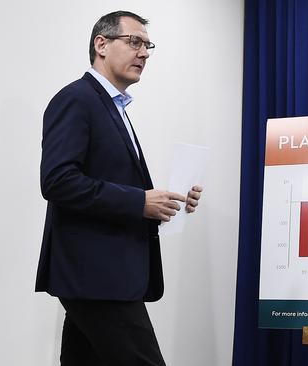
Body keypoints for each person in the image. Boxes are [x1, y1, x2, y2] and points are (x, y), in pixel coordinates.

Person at [35, 10, 202, 365]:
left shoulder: (114, 108)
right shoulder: (78, 99)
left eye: (147, 45)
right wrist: (139, 201)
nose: (144, 53)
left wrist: (167, 201)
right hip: (96, 277)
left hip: (101, 275)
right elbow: (57, 180)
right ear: (101, 44)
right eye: (134, 42)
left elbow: (113, 187)